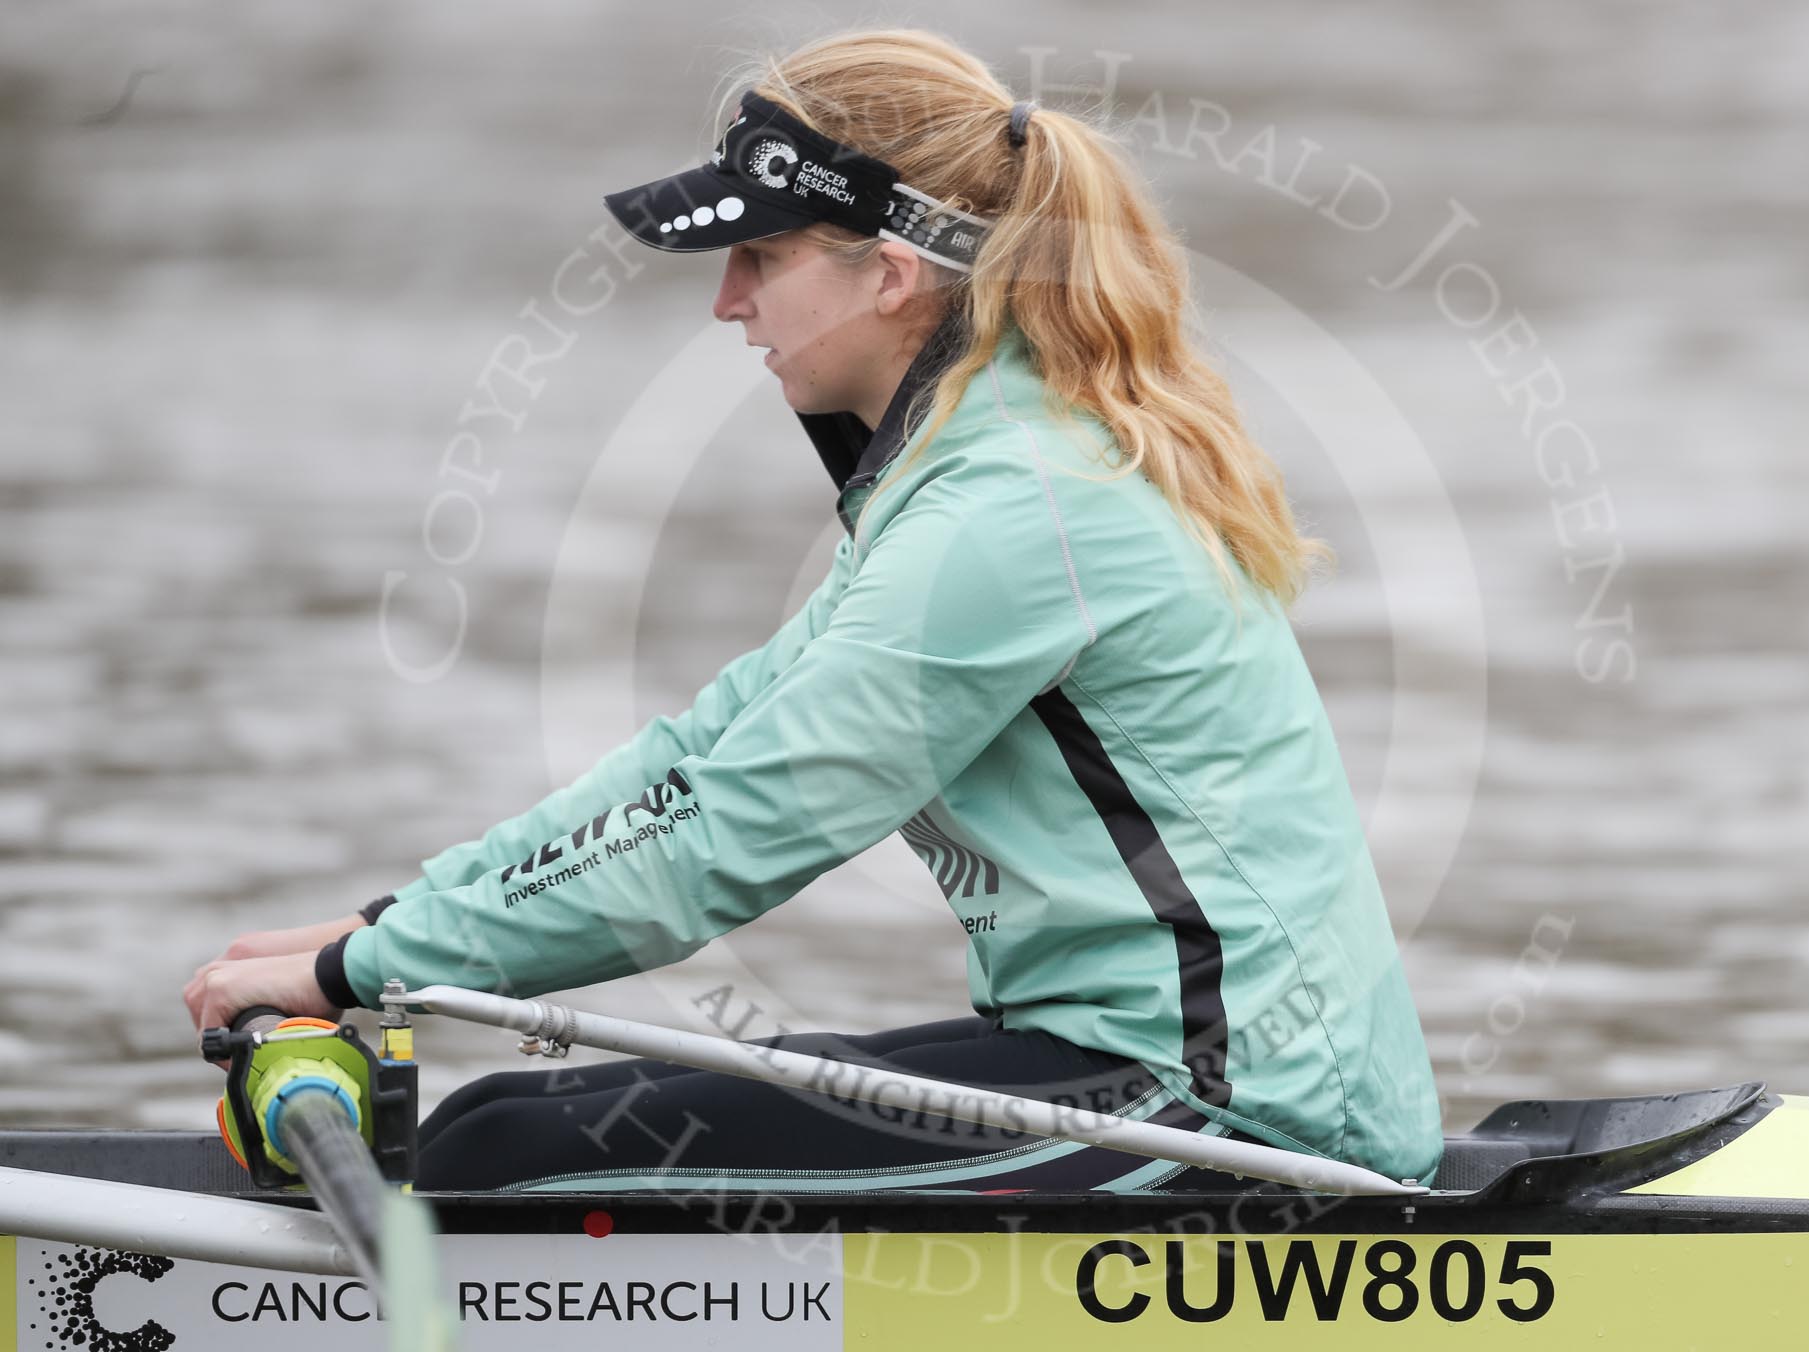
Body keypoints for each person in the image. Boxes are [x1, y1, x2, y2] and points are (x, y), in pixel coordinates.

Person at [183, 28, 1443, 1193]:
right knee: (493, 1118)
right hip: (1140, 1067)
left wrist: (356, 975)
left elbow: (729, 832)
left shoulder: (1013, 510)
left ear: (891, 273)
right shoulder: (977, 461)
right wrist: (386, 929)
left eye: (761, 257)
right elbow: (708, 751)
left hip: (1239, 1126)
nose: (728, 301)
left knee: (498, 1151)